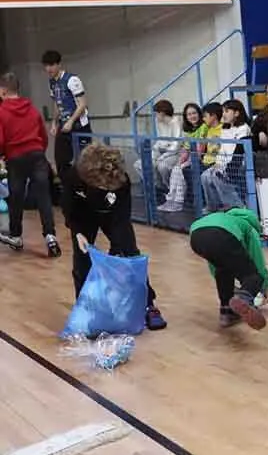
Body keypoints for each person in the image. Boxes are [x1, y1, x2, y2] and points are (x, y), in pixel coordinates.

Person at [66, 144, 167, 331]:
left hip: (112, 215)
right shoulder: (74, 176)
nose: (105, 189)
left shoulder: (122, 181)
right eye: (101, 186)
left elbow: (122, 217)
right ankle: (86, 309)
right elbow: (69, 207)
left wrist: (117, 250)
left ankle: (148, 305)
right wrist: (77, 232)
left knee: (130, 253)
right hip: (83, 216)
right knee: (82, 259)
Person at [0, 72, 60, 257]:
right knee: (43, 197)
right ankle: (50, 236)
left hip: (15, 159)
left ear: (3, 91)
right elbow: (43, 136)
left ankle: (16, 236)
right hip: (37, 156)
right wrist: (38, 152)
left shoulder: (1, 112)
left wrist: (3, 155)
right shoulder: (32, 110)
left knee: (16, 198)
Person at [189, 207, 268, 329]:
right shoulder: (248, 226)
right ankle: (244, 299)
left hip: (195, 238)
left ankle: (227, 313)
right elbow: (257, 259)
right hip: (222, 234)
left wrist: (226, 286)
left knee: (223, 269)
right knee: (253, 277)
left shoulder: (223, 218)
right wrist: (267, 285)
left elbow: (214, 266)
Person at [42, 50, 91, 206]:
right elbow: (57, 103)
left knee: (83, 161)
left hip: (79, 127)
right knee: (61, 161)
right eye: (46, 66)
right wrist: (54, 122)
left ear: (58, 64)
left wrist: (71, 121)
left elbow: (82, 104)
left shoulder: (72, 80)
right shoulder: (52, 83)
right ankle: (70, 193)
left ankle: (86, 194)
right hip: (64, 127)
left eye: (52, 65)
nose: (49, 69)